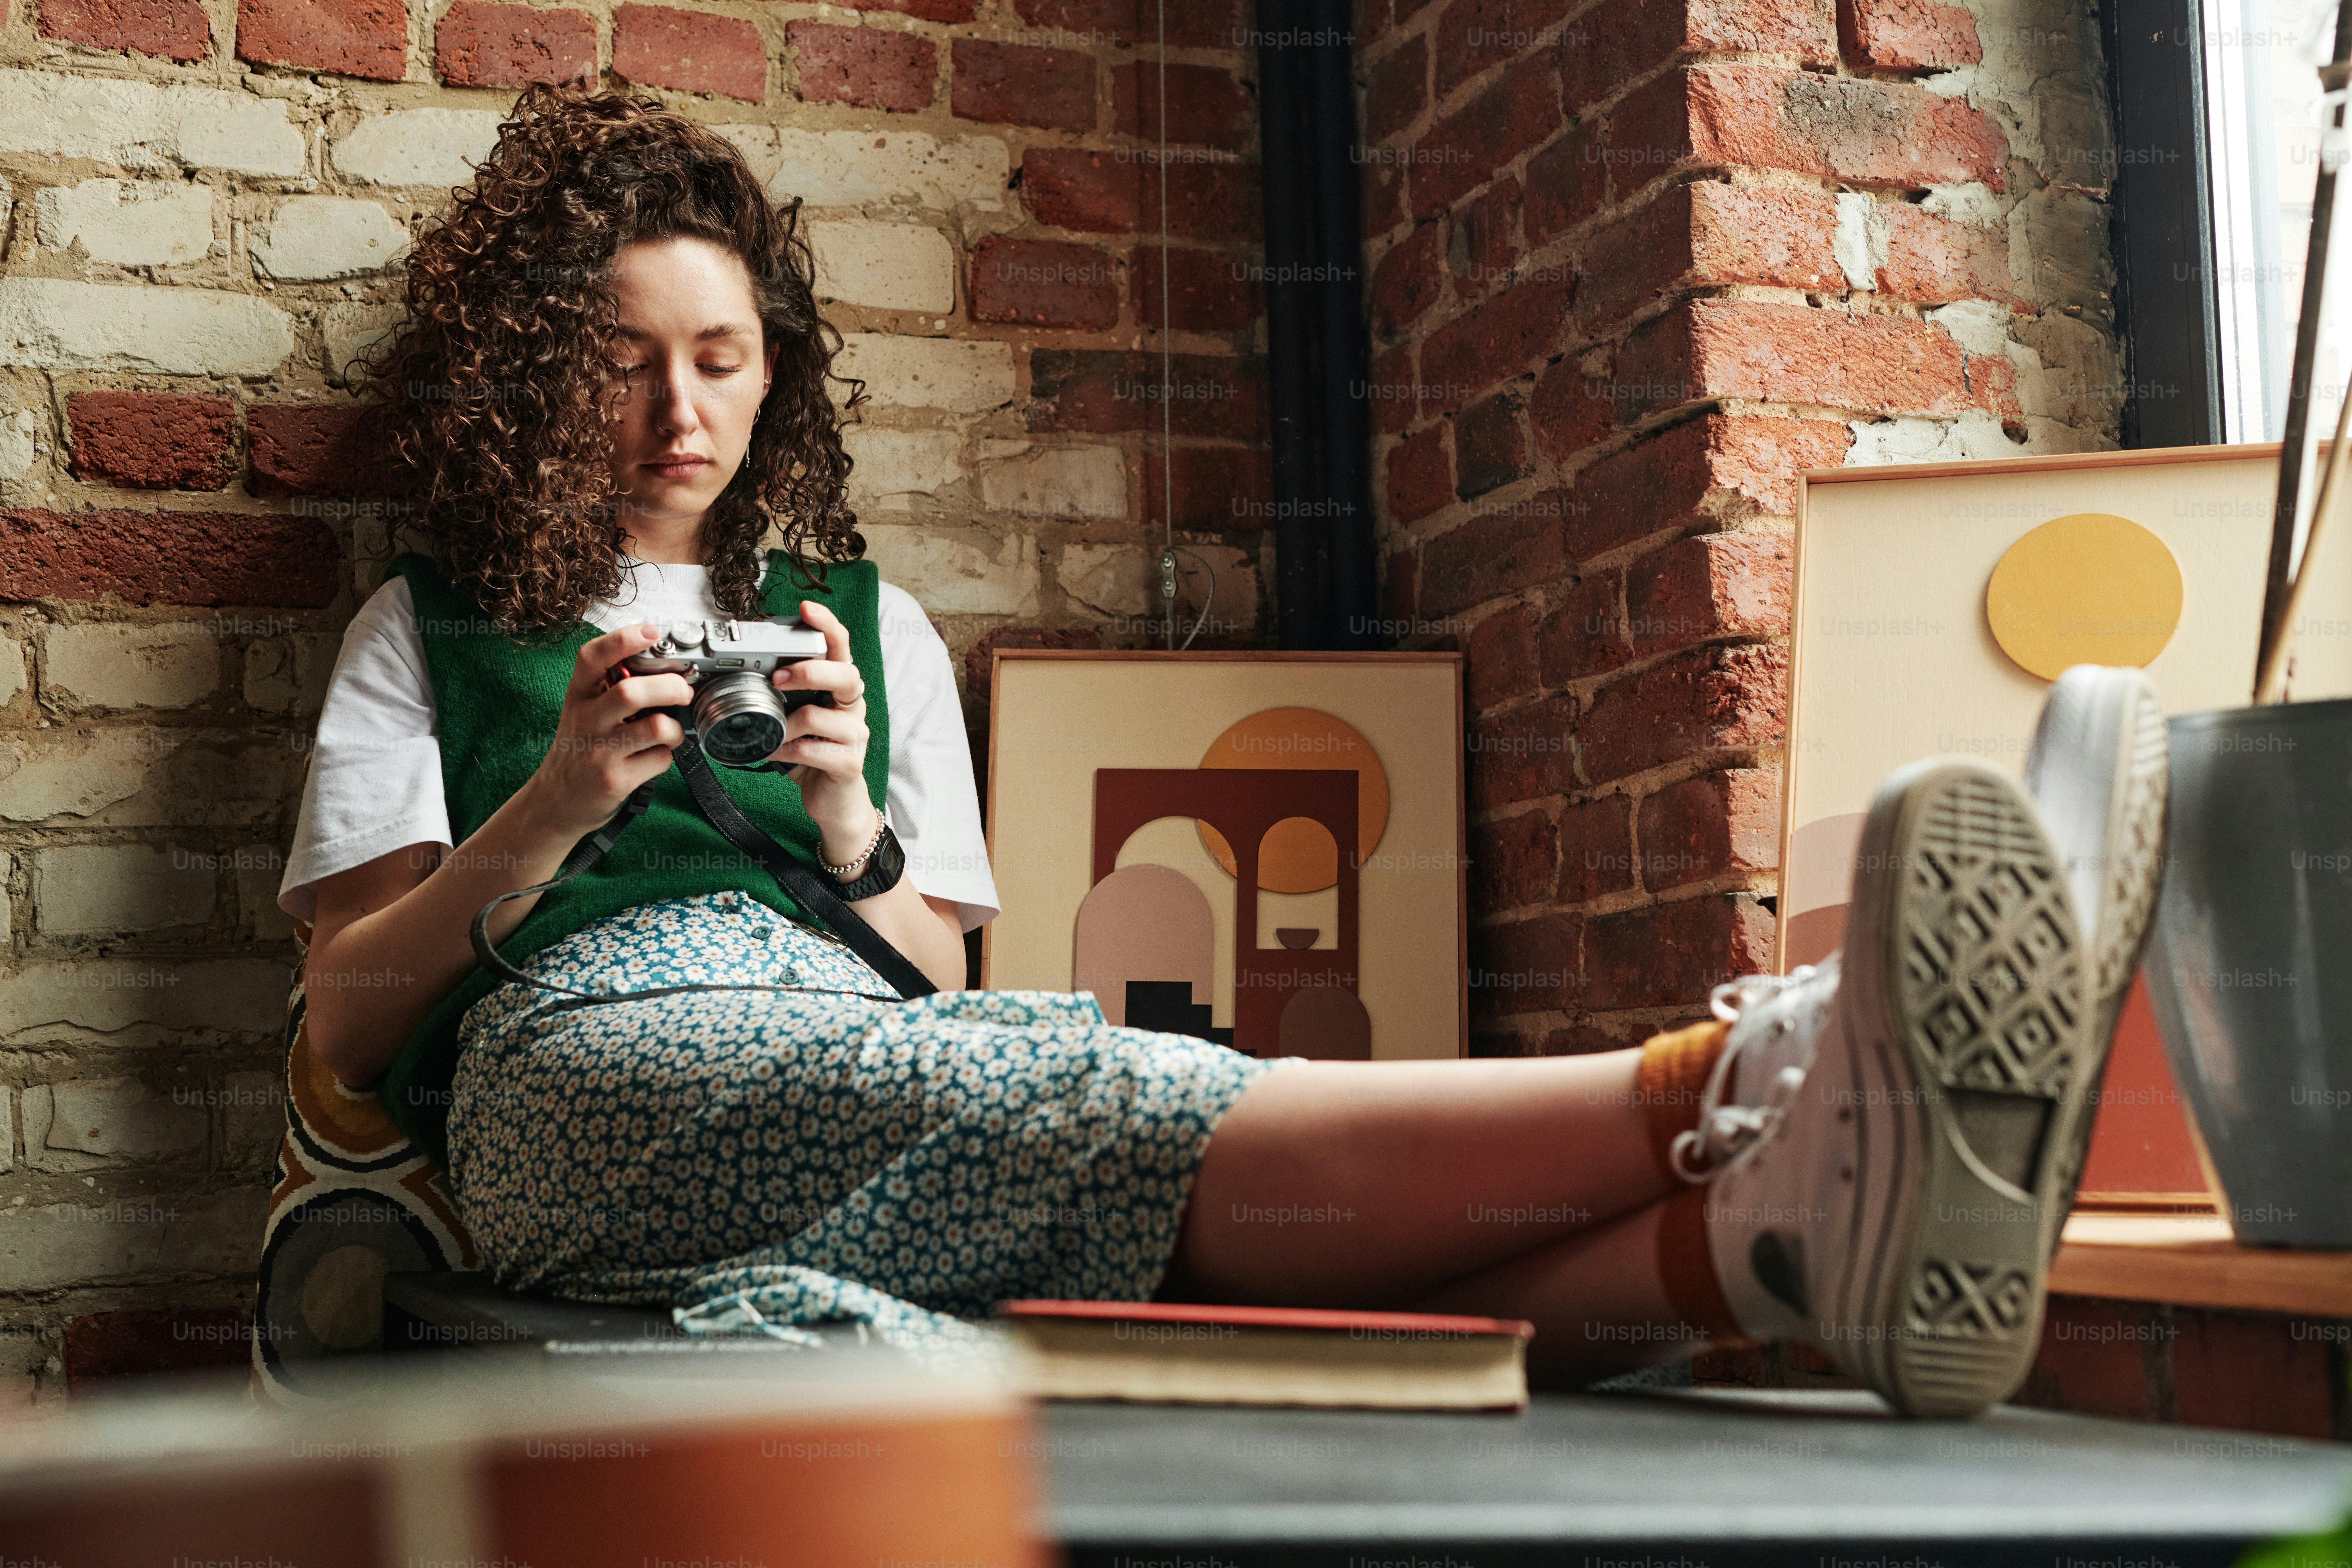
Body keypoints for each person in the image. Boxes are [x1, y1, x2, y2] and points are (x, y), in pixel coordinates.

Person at [279, 86, 2169, 1417]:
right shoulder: (424, 632)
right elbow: (349, 1028)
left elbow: (940, 973)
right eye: (621, 360)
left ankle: (1770, 1238)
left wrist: (852, 813)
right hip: (580, 1080)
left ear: (774, 369)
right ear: (545, 375)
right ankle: (1776, 1060)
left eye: (720, 355)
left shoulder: (868, 628)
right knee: (1073, 1105)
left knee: (1115, 1148)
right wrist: (546, 809)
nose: (678, 406)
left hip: (858, 1039)